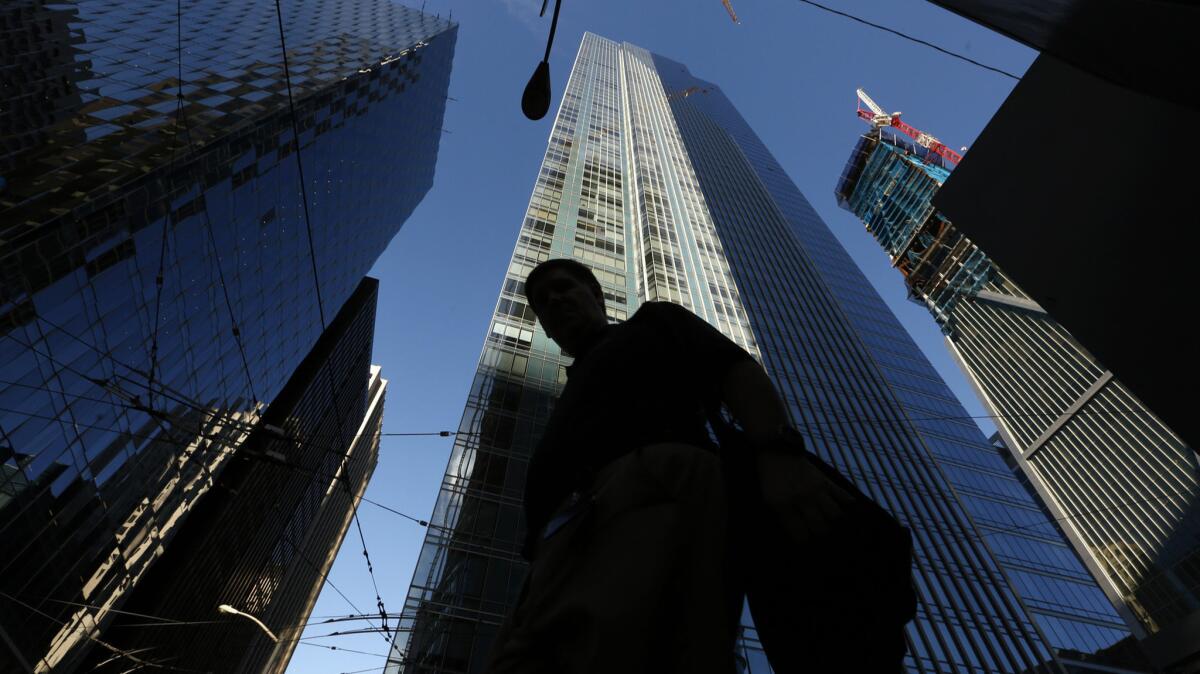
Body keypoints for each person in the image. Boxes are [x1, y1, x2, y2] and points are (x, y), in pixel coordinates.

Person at [483, 258, 855, 674]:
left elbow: (735, 370)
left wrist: (779, 454)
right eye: (543, 302)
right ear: (546, 331)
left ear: (596, 294)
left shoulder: (653, 322)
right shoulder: (571, 387)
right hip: (555, 552)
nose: (555, 300)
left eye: (565, 287)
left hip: (652, 495)